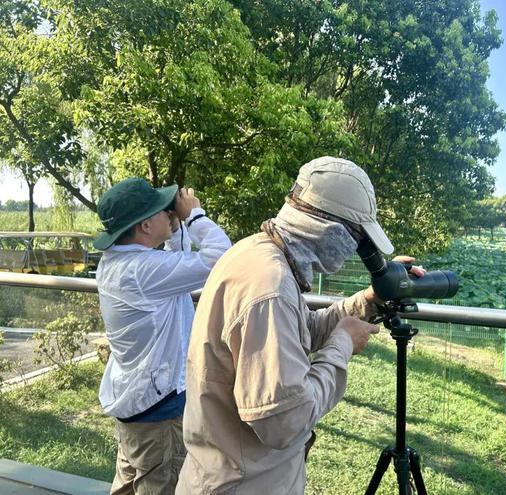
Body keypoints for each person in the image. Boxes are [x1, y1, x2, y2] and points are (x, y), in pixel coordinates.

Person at [177, 156, 423, 494]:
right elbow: (283, 422)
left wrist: (369, 299)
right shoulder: (270, 286)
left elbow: (299, 331)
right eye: (358, 239)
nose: (355, 251)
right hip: (245, 484)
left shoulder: (256, 253)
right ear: (332, 231)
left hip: (231, 472)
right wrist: (341, 346)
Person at [93, 177, 232, 494]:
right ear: (144, 226)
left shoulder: (116, 262)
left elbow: (176, 262)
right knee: (162, 485)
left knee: (130, 482)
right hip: (160, 412)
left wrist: (175, 224)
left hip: (138, 402)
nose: (169, 212)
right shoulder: (143, 271)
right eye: (161, 210)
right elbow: (220, 257)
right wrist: (195, 216)